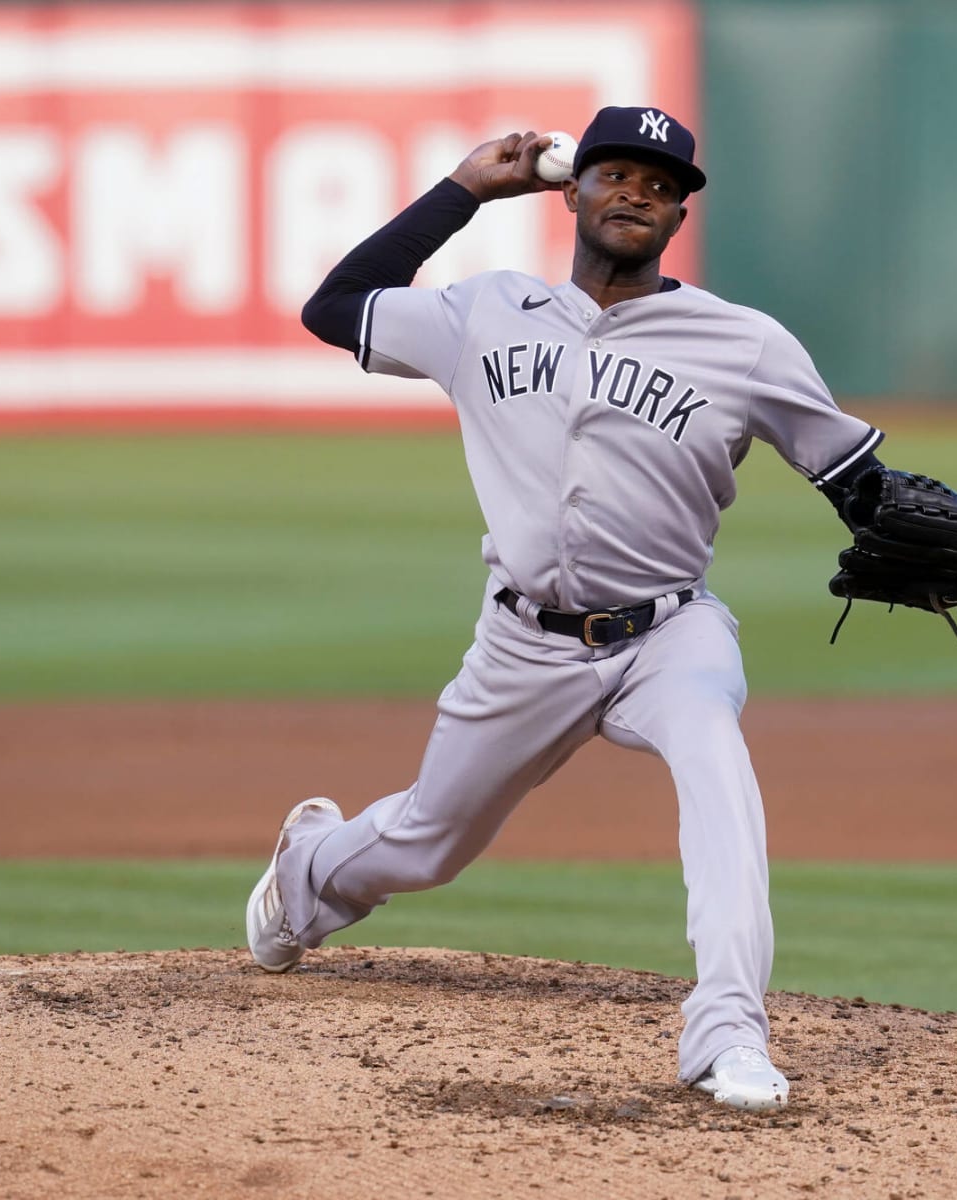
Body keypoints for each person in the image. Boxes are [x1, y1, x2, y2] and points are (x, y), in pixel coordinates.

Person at [248, 106, 895, 1113]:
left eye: (659, 180)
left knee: (717, 766)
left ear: (680, 209)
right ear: (574, 189)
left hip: (669, 634)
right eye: (615, 172)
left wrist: (892, 512)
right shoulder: (485, 313)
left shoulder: (745, 345)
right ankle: (306, 877)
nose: (636, 190)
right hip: (521, 644)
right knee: (431, 838)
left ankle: (727, 1034)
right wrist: (465, 188)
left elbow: (854, 477)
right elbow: (332, 308)